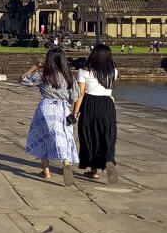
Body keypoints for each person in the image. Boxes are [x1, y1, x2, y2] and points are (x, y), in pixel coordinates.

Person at [19, 48, 80, 185]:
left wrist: (35, 66)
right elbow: (75, 96)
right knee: (64, 137)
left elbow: (23, 79)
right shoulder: (69, 76)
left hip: (46, 108)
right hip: (63, 109)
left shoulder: (44, 75)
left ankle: (46, 172)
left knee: (43, 137)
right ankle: (66, 163)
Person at [73, 44, 119, 184]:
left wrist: (75, 112)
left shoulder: (84, 71)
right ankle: (109, 160)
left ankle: (94, 172)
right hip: (107, 105)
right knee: (107, 135)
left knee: (90, 136)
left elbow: (80, 94)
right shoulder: (114, 71)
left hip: (90, 104)